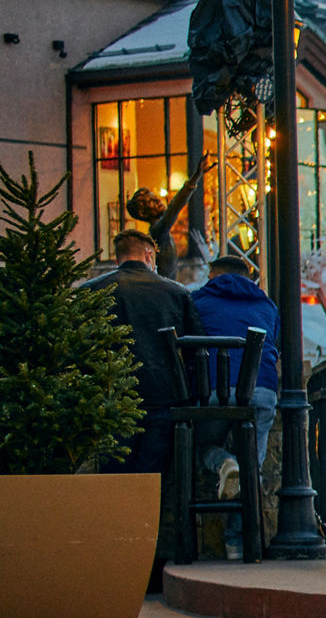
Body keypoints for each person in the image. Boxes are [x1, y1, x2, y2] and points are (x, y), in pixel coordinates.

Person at [79, 229, 201, 588]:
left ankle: (110, 565)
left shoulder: (92, 291)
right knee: (152, 484)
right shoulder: (176, 293)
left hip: (112, 399)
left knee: (113, 481)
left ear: (117, 255)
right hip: (162, 397)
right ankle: (145, 570)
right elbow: (195, 351)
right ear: (150, 254)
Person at [190, 254, 280, 467]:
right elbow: (276, 347)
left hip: (211, 392)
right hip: (261, 391)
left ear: (216, 276)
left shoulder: (197, 302)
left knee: (202, 444)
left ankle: (225, 464)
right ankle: (250, 480)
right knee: (254, 450)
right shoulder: (267, 306)